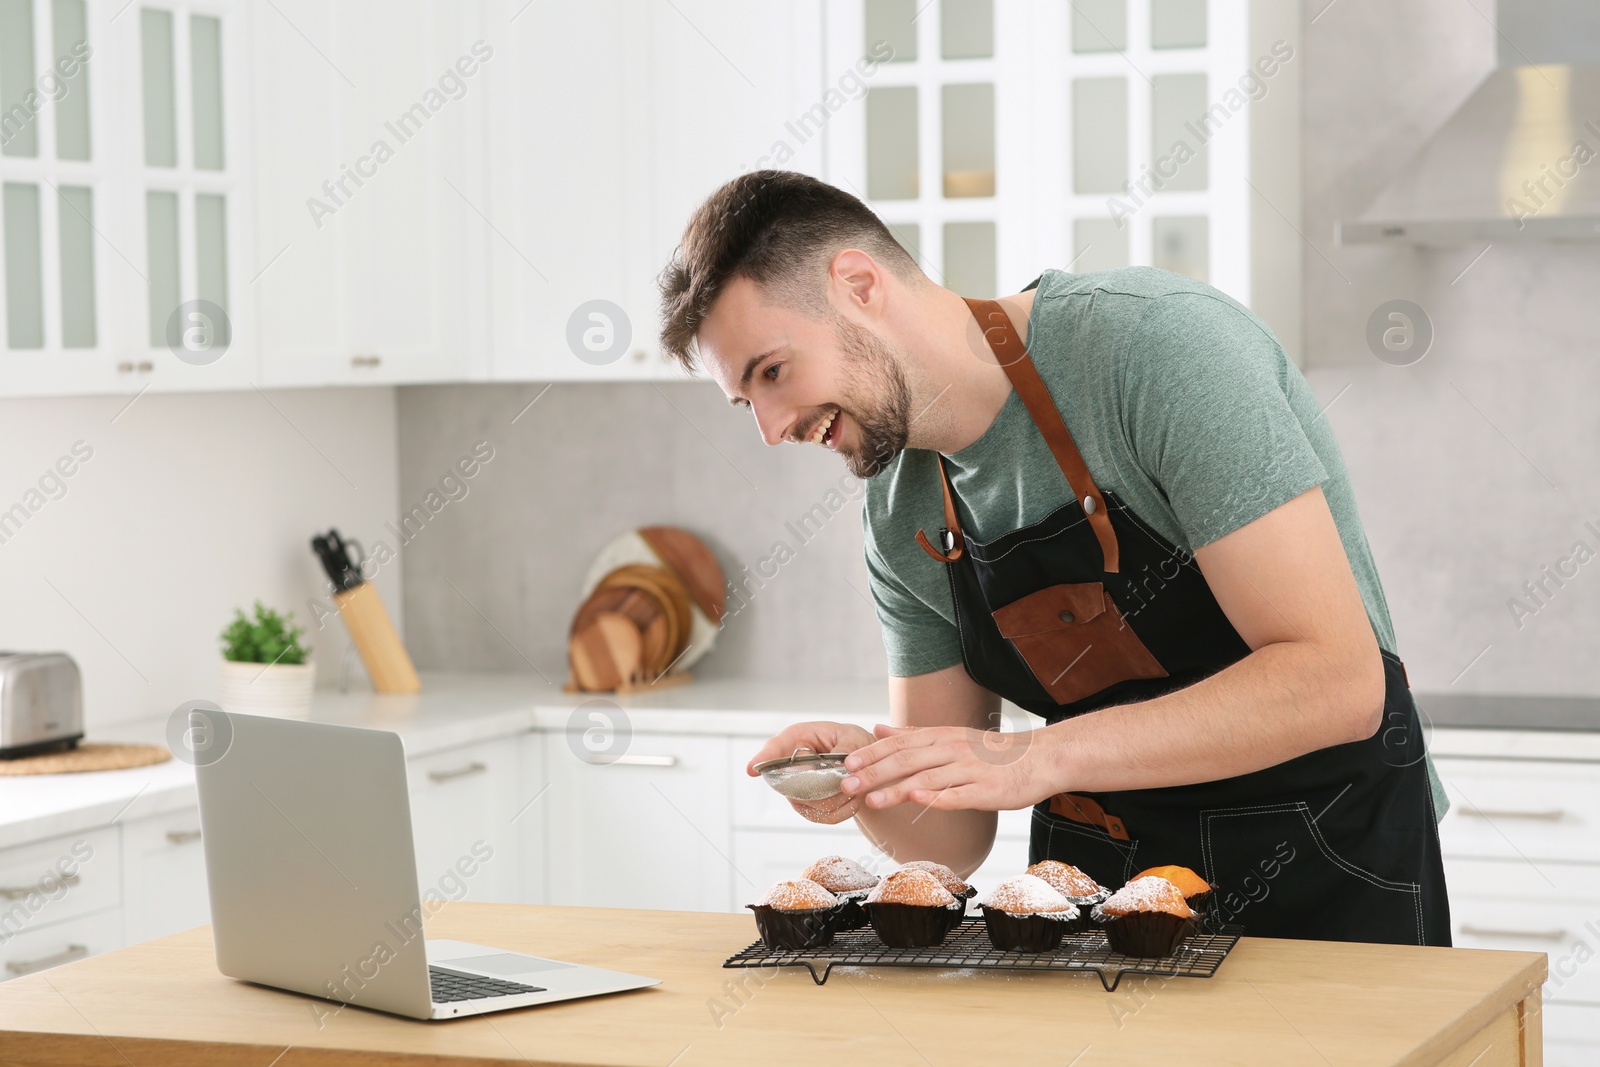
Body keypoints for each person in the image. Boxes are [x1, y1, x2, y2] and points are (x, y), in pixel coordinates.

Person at [657, 170, 1449, 945]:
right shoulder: (901, 512)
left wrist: (1036, 754)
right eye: (745, 401)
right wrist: (869, 775)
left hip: (1325, 883)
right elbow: (953, 838)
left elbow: (1340, 681)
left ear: (859, 284)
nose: (771, 428)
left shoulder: (1155, 350)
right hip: (1103, 925)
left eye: (772, 372)